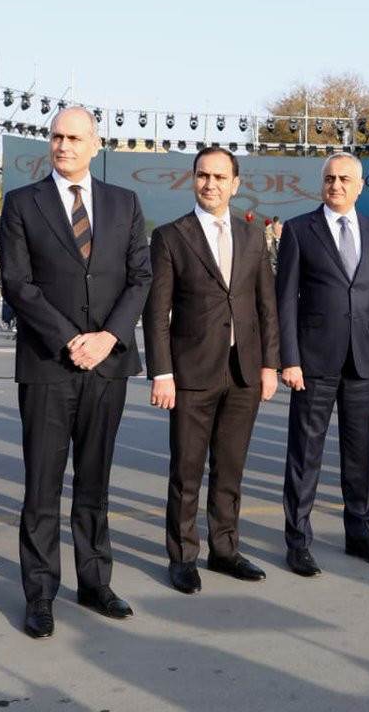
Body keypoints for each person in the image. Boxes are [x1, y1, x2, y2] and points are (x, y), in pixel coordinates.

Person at [0, 107, 151, 638]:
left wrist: (108, 337)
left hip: (107, 365)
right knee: (42, 486)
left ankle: (95, 581)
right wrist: (69, 339)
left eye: (74, 137)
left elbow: (140, 278)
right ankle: (40, 593)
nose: (63, 145)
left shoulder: (124, 203)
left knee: (95, 481)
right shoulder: (23, 203)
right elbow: (18, 284)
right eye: (56, 136)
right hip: (48, 364)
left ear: (94, 144)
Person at [144, 146, 280, 593]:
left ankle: (225, 549)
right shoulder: (170, 236)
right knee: (186, 472)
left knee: (230, 469)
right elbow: (156, 312)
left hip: (244, 372)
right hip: (191, 374)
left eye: (220, 177)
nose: (211, 184)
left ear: (235, 185)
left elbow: (266, 306)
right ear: (193, 179)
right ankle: (183, 556)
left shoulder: (253, 236)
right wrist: (162, 372)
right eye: (203, 175)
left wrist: (270, 365)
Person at [276, 154, 369, 577]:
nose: (336, 184)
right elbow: (284, 301)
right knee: (305, 455)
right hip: (312, 362)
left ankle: (360, 533)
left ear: (360, 186)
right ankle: (298, 541)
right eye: (330, 178)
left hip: (362, 361)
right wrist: (289, 359)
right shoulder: (298, 230)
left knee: (359, 454)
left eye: (345, 179)